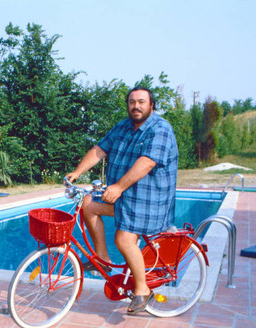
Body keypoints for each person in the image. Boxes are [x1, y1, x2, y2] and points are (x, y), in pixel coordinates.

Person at [65, 86, 178, 315]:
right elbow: (100, 150)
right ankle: (103, 260)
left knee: (124, 239)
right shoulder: (123, 127)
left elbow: (147, 162)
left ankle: (142, 289)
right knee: (88, 204)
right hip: (125, 196)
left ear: (151, 105)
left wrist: (117, 187)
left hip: (150, 200)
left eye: (141, 102)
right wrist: (77, 173)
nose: (136, 106)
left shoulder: (160, 129)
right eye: (132, 102)